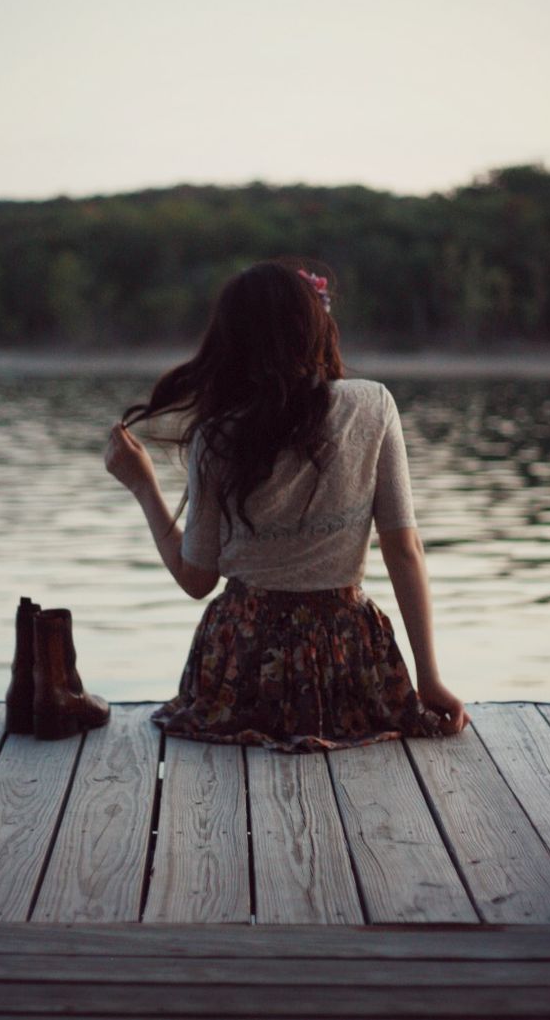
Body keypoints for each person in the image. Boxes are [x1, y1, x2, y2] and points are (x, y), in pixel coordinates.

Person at [104, 259, 470, 752]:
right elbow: (404, 550)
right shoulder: (374, 405)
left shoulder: (216, 436)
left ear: (232, 342)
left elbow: (197, 580)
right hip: (348, 663)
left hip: (241, 672)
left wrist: (143, 485)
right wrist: (429, 680)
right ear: (317, 326)